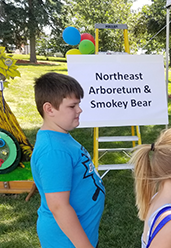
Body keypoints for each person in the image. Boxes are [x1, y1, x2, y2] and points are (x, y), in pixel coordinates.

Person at [31, 72, 105, 248]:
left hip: (79, 234)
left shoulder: (61, 137)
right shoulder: (53, 151)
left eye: (78, 104)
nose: (79, 110)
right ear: (49, 109)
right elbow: (59, 207)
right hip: (66, 241)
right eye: (73, 106)